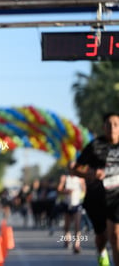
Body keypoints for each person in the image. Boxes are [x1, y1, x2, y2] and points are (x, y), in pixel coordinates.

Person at [70, 112, 119, 266]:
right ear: (104, 127)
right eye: (109, 124)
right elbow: (75, 169)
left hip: (116, 196)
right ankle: (102, 252)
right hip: (96, 197)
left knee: (116, 236)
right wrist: (89, 174)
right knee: (102, 237)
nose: (112, 128)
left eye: (116, 124)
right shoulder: (94, 146)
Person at [57, 165, 86, 253]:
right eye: (71, 168)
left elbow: (85, 190)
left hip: (77, 204)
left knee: (77, 225)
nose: (73, 169)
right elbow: (59, 189)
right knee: (67, 226)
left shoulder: (80, 179)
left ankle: (77, 245)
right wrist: (66, 191)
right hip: (67, 204)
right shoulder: (65, 178)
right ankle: (67, 240)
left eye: (74, 168)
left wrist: (81, 195)